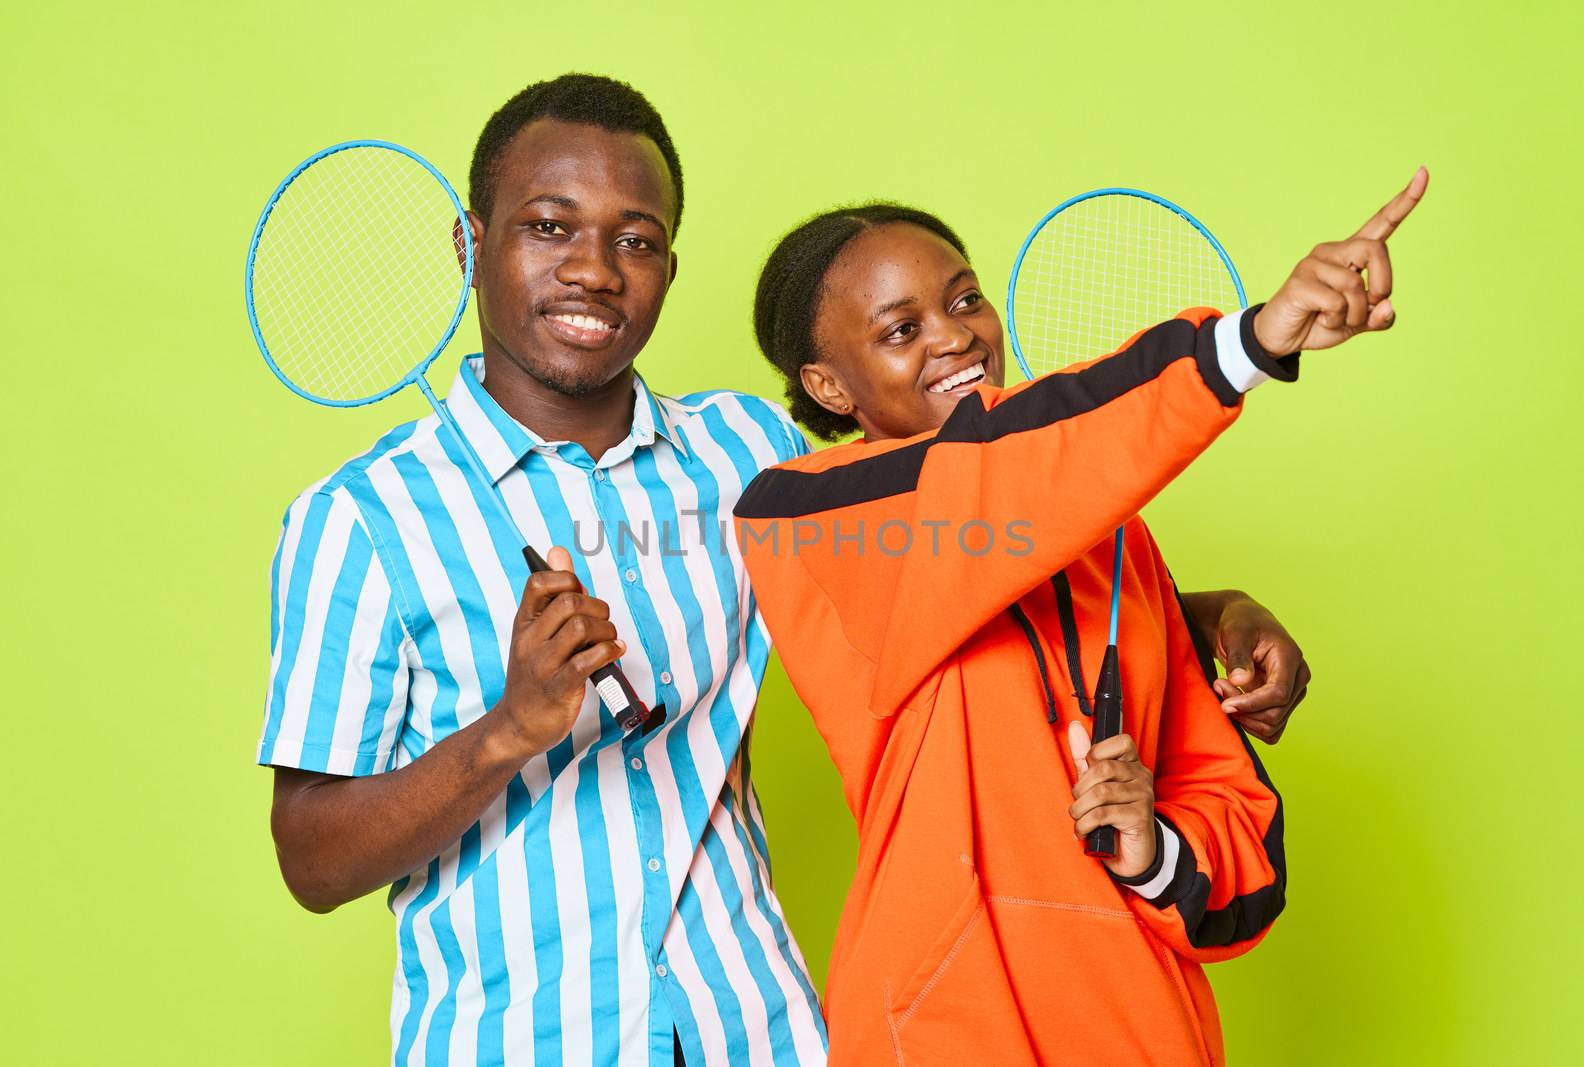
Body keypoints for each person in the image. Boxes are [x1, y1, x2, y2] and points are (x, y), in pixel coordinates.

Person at [256, 71, 1315, 1066]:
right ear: (469, 242)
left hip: (751, 1022)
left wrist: (1198, 614)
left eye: (636, 238)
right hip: (520, 1034)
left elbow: (960, 543)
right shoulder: (355, 519)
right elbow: (312, 857)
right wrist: (511, 727)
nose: (592, 267)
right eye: (547, 226)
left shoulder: (753, 458)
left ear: (668, 266)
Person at [734, 176, 1424, 1064]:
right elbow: (985, 482)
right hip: (944, 1034)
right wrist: (1244, 345)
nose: (956, 336)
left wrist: (1155, 851)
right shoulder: (806, 520)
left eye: (964, 298)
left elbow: (1243, 852)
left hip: (1144, 1034)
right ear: (829, 386)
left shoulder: (1117, 545)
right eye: (901, 330)